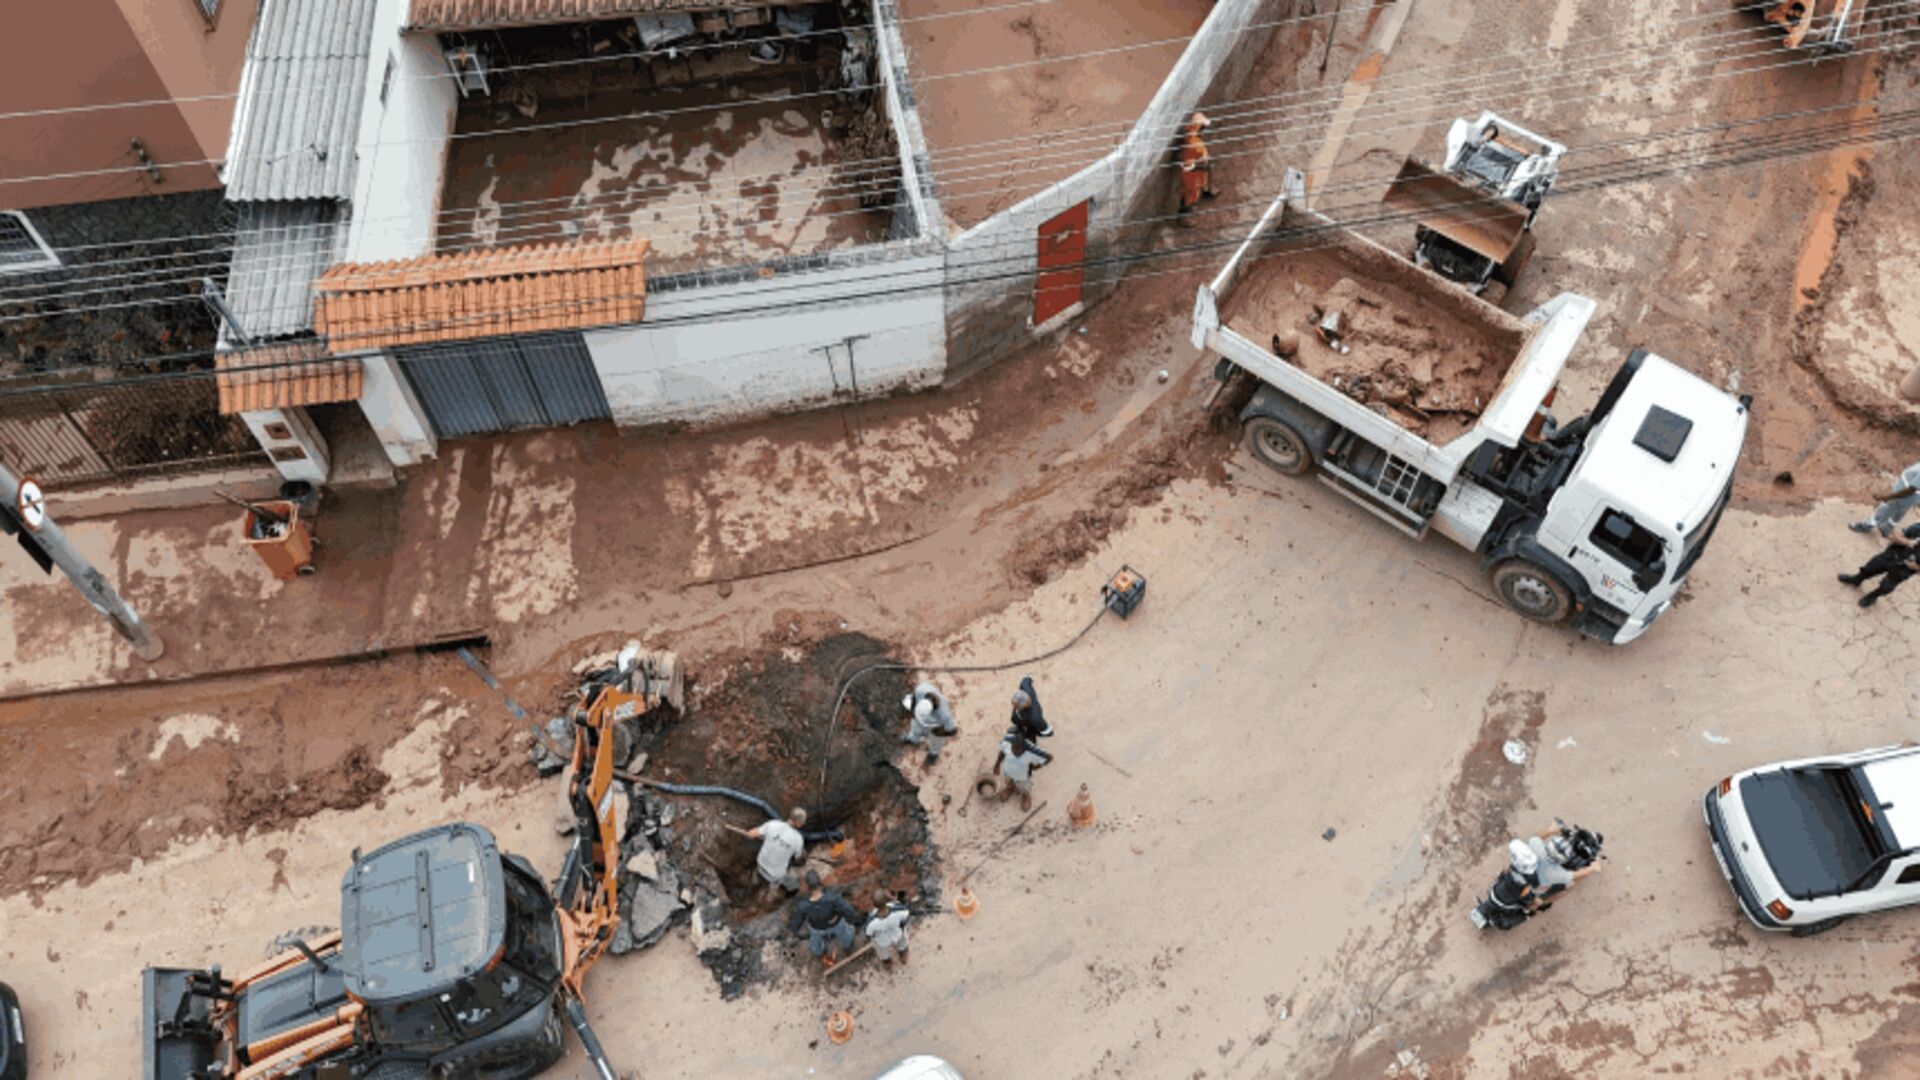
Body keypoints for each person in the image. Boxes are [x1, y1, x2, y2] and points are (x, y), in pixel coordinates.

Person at [788, 870, 862, 966]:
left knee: (815, 945)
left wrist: (799, 934)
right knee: (846, 935)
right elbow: (848, 910)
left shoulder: (803, 905)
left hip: (817, 929)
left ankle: (820, 952)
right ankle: (847, 946)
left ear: (808, 886)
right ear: (819, 882)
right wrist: (850, 919)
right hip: (835, 923)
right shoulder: (832, 897)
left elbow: (795, 924)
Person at [1839, 523, 1920, 608]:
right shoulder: (1917, 527)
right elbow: (1894, 537)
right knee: (1870, 568)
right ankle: (1856, 580)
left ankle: (1873, 596)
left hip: (1904, 568)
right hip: (1892, 555)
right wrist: (1908, 542)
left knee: (1886, 587)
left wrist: (1913, 566)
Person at [1524, 826, 1600, 903]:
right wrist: (1593, 868)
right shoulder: (1558, 873)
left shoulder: (1535, 844)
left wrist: (1550, 830)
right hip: (1533, 889)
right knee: (1569, 885)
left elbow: (1536, 836)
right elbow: (1577, 875)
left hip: (1520, 877)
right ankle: (1536, 904)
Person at [745, 808, 808, 896]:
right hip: (774, 875)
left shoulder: (773, 824)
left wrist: (752, 833)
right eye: (803, 822)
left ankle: (757, 880)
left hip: (760, 865)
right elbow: (797, 858)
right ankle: (778, 891)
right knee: (794, 885)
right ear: (798, 823)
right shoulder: (798, 839)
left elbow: (751, 834)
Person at [1850, 458, 1920, 537]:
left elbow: (1910, 490)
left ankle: (1866, 526)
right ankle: (1887, 529)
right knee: (1899, 513)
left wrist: (1888, 496)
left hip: (1904, 496)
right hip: (1910, 498)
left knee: (1885, 509)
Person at [901, 681, 959, 765]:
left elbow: (953, 731)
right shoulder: (921, 689)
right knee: (915, 726)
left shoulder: (944, 715)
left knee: (936, 741)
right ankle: (914, 738)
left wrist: (940, 732)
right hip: (918, 715)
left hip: (936, 726)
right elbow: (914, 698)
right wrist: (913, 712)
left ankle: (933, 754)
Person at [997, 732, 1050, 812]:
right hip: (1009, 770)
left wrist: (1037, 766)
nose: (1015, 753)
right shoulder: (1007, 746)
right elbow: (1001, 754)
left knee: (1024, 786)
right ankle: (1010, 788)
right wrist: (996, 765)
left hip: (1023, 775)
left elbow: (1048, 758)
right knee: (1008, 780)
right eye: (1013, 750)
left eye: (1018, 752)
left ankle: (1025, 795)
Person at [1177, 112, 1217, 215]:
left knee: (1198, 183)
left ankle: (1207, 190)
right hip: (1191, 170)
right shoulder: (1196, 144)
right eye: (1203, 126)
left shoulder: (1190, 132)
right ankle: (1184, 217)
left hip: (1192, 165)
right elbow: (1200, 159)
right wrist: (1205, 163)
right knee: (1192, 194)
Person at [864, 890, 912, 967]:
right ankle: (903, 957)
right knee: (902, 944)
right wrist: (893, 898)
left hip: (883, 941)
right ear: (887, 899)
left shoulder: (871, 922)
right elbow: (906, 916)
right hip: (897, 935)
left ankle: (888, 964)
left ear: (873, 904)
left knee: (882, 952)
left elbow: (869, 934)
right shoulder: (898, 910)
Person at [1008, 675, 1054, 742]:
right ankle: (1020, 729)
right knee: (1015, 719)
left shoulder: (1035, 718)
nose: (1014, 707)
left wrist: (1039, 732)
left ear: (1023, 706)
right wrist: (1029, 678)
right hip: (1021, 719)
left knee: (1030, 733)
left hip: (1029, 723)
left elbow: (1048, 732)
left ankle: (1030, 739)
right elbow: (1026, 680)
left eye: (1016, 706)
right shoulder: (1026, 689)